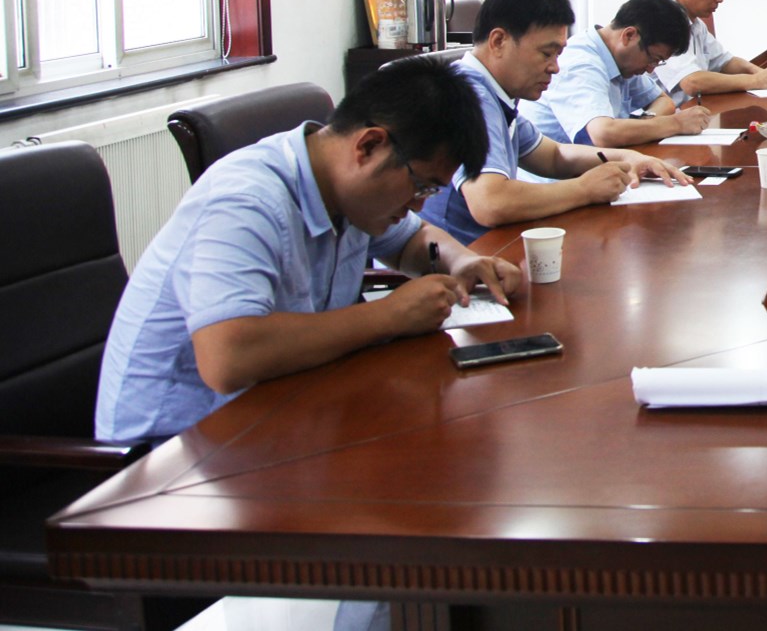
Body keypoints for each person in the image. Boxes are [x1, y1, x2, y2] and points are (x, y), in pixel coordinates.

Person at [96, 56, 519, 444]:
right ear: (369, 146)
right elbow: (228, 358)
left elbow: (413, 238)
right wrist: (389, 315)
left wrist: (462, 261)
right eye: (421, 185)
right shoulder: (246, 201)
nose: (419, 204)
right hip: (171, 451)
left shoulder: (347, 191)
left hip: (281, 409)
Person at [420, 0, 683, 245]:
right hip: (467, 253)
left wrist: (629, 157)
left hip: (494, 243)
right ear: (498, 41)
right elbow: (490, 203)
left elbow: (554, 155)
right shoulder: (470, 95)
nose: (555, 67)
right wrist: (584, 188)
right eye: (547, 54)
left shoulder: (496, 94)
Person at [522, 0, 712, 148]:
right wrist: (676, 123)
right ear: (629, 35)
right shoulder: (581, 64)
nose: (650, 69)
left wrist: (647, 123)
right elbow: (603, 134)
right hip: (564, 178)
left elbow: (664, 101)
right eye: (653, 59)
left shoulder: (621, 59)